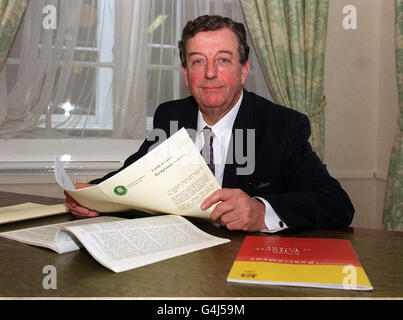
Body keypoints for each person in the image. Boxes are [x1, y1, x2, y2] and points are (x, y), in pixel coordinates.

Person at [65, 15, 354, 232]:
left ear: (244, 71)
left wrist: (259, 210)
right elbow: (132, 177)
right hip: (178, 260)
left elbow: (337, 204)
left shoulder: (283, 126)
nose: (210, 73)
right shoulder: (170, 117)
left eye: (224, 60)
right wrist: (92, 194)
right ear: (185, 73)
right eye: (198, 61)